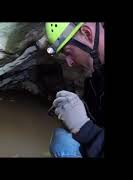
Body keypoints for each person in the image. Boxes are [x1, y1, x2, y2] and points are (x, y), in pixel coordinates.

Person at [45, 22, 104, 158]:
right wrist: (80, 109)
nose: (69, 63)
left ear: (87, 34)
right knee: (62, 140)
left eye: (69, 53)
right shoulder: (95, 80)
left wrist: (85, 129)